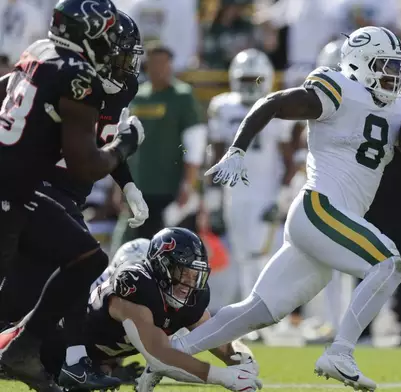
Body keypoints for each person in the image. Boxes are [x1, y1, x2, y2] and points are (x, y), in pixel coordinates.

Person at [139, 26, 401, 392]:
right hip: (319, 208)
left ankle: (169, 353)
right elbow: (271, 103)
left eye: (399, 68)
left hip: (330, 222)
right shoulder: (338, 89)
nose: (394, 76)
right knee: (388, 263)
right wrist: (237, 149)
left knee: (257, 310)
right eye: (385, 66)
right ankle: (341, 351)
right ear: (359, 64)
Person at [0, 1, 145, 390]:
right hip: (19, 191)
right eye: (109, 34)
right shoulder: (80, 76)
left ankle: (23, 350)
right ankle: (22, 350)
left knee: (71, 264)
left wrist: (126, 182)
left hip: (22, 192)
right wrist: (125, 147)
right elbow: (86, 164)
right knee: (83, 260)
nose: (114, 44)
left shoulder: (38, 52)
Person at [42, 228, 262, 392]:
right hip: (49, 350)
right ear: (162, 266)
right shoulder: (137, 286)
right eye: (183, 272)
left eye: (195, 274)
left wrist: (245, 362)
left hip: (95, 364)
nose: (190, 282)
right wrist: (225, 377)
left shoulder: (190, 297)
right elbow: (161, 358)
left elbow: (218, 337)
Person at [208, 48, 294, 300]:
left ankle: (267, 312)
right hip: (234, 194)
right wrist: (213, 198)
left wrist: (282, 198)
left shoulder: (277, 106)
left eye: (255, 79)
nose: (250, 86)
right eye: (245, 79)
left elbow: (288, 159)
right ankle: (249, 313)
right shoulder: (222, 107)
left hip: (264, 193)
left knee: (264, 256)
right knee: (241, 256)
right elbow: (216, 154)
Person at [125, 42, 207, 240]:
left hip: (173, 188)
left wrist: (188, 183)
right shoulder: (138, 97)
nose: (159, 68)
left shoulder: (182, 96)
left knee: (175, 245)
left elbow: (194, 144)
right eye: (155, 63)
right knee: (143, 247)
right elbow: (127, 144)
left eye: (164, 63)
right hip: (142, 187)